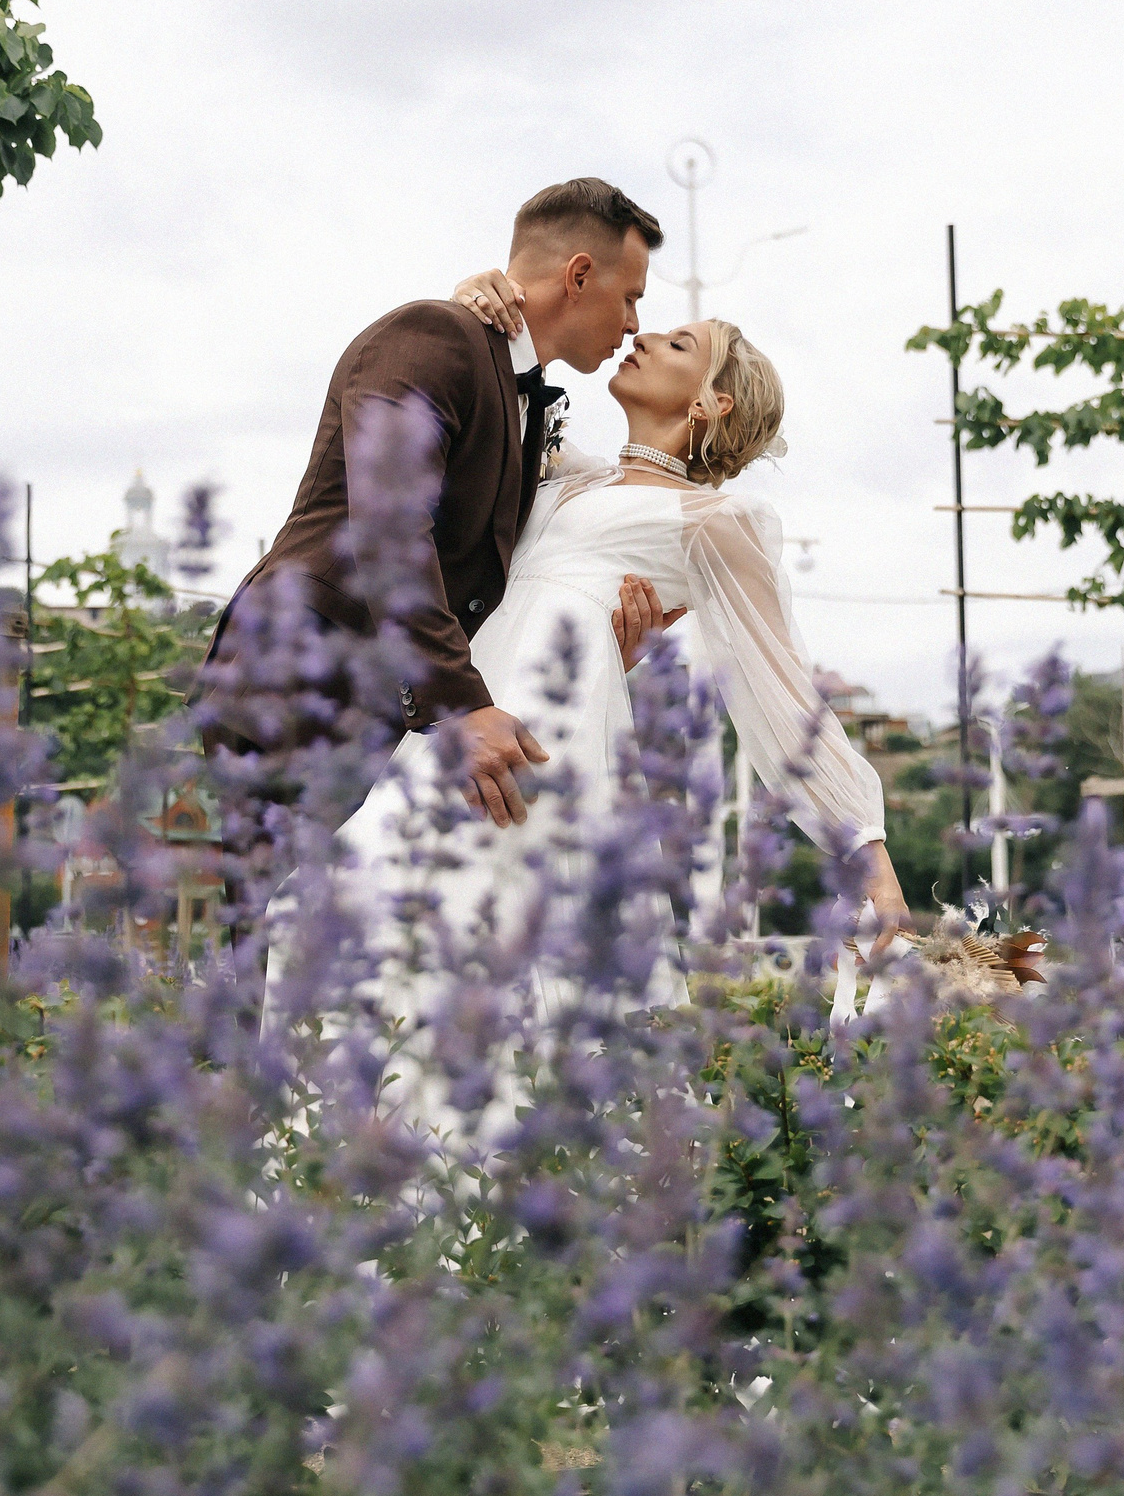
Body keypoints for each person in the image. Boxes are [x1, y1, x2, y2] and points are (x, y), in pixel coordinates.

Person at [323, 272, 911, 1017]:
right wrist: (477, 310)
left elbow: (785, 690)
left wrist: (870, 857)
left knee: (469, 932)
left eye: (675, 343)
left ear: (711, 401)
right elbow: (470, 440)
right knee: (365, 903)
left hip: (544, 732)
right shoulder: (564, 477)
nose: (640, 336)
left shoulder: (718, 521)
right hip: (468, 709)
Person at [195, 179, 678, 850]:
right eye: (630, 297)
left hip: (383, 710)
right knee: (282, 934)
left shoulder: (528, 400)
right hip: (301, 684)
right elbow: (389, 529)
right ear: (578, 274)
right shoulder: (433, 336)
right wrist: (461, 705)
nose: (632, 323)